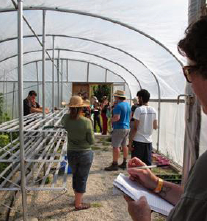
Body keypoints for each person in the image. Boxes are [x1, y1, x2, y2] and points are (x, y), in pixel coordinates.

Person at [124, 16, 207, 221]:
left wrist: (142, 218)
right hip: (149, 141)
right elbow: (194, 202)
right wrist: (156, 183)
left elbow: (134, 127)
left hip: (140, 140)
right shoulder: (152, 110)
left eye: (189, 71)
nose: (190, 85)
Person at [61, 96, 95, 210]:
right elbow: (91, 141)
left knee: (75, 175)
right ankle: (78, 204)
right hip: (85, 152)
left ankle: (77, 199)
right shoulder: (86, 121)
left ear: (70, 107)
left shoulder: (65, 118)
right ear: (81, 108)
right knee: (82, 177)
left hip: (71, 152)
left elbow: (65, 124)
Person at [129, 89, 158, 165]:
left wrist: (130, 142)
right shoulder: (154, 110)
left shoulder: (139, 110)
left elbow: (135, 128)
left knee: (136, 164)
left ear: (141, 98)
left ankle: (136, 177)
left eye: (138, 98)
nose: (138, 100)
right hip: (149, 141)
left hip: (138, 141)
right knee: (147, 165)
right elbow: (155, 126)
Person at [105, 90, 131, 171]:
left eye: (115, 97)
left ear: (117, 97)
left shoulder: (118, 106)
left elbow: (117, 117)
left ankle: (115, 164)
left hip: (119, 128)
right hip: (127, 127)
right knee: (124, 145)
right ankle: (124, 162)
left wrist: (110, 120)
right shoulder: (128, 105)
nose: (114, 98)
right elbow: (130, 117)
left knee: (116, 146)